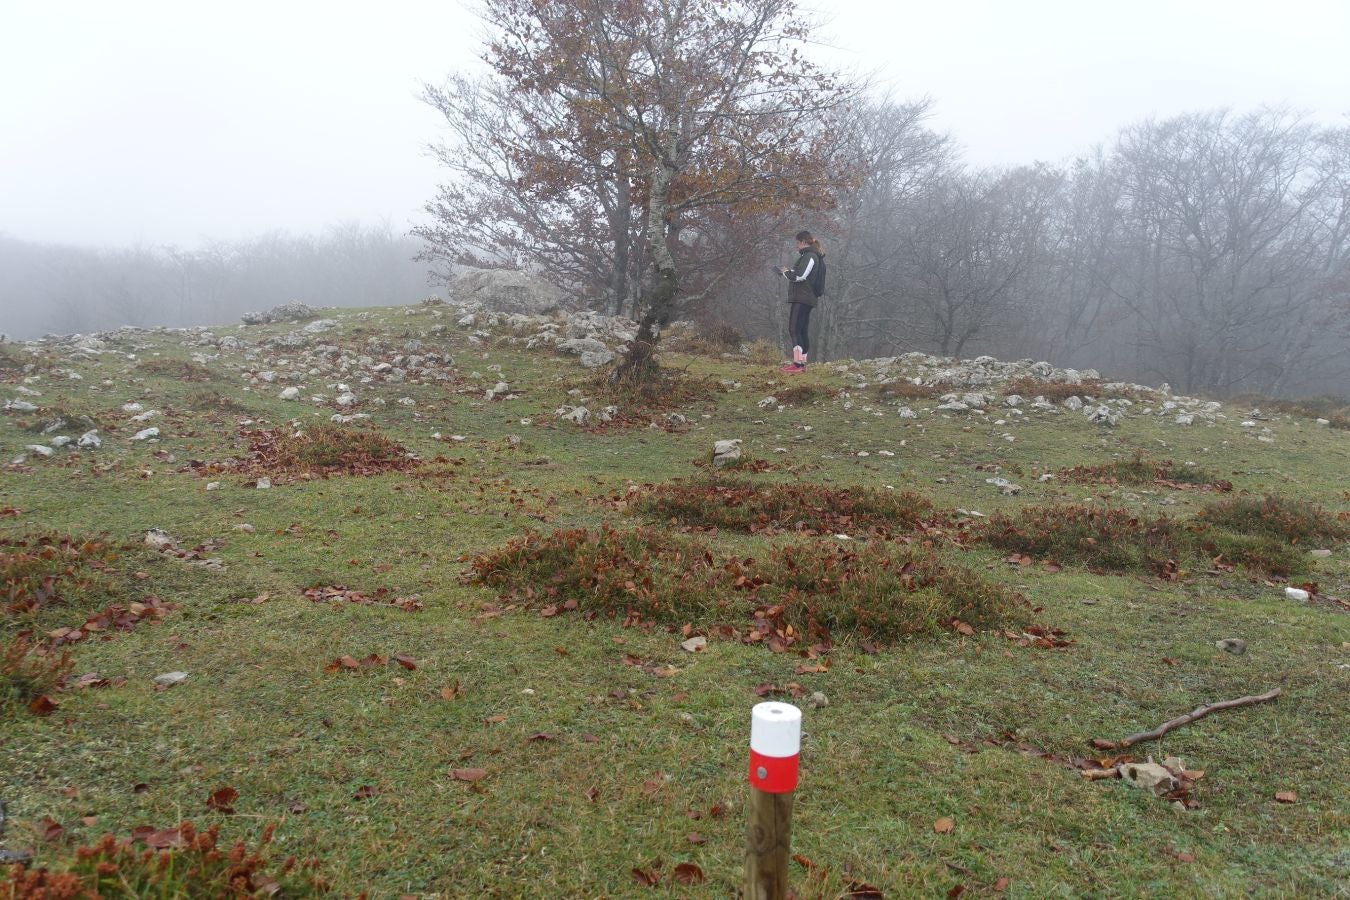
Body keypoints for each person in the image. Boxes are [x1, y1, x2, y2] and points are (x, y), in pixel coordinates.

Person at [777, 230, 824, 373]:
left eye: (797, 243)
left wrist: (785, 272)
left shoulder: (810, 256)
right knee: (802, 330)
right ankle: (801, 364)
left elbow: (800, 276)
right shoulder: (810, 256)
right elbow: (801, 273)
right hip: (806, 298)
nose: (796, 246)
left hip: (802, 298)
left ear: (803, 242)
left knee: (794, 329)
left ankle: (797, 365)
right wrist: (788, 272)